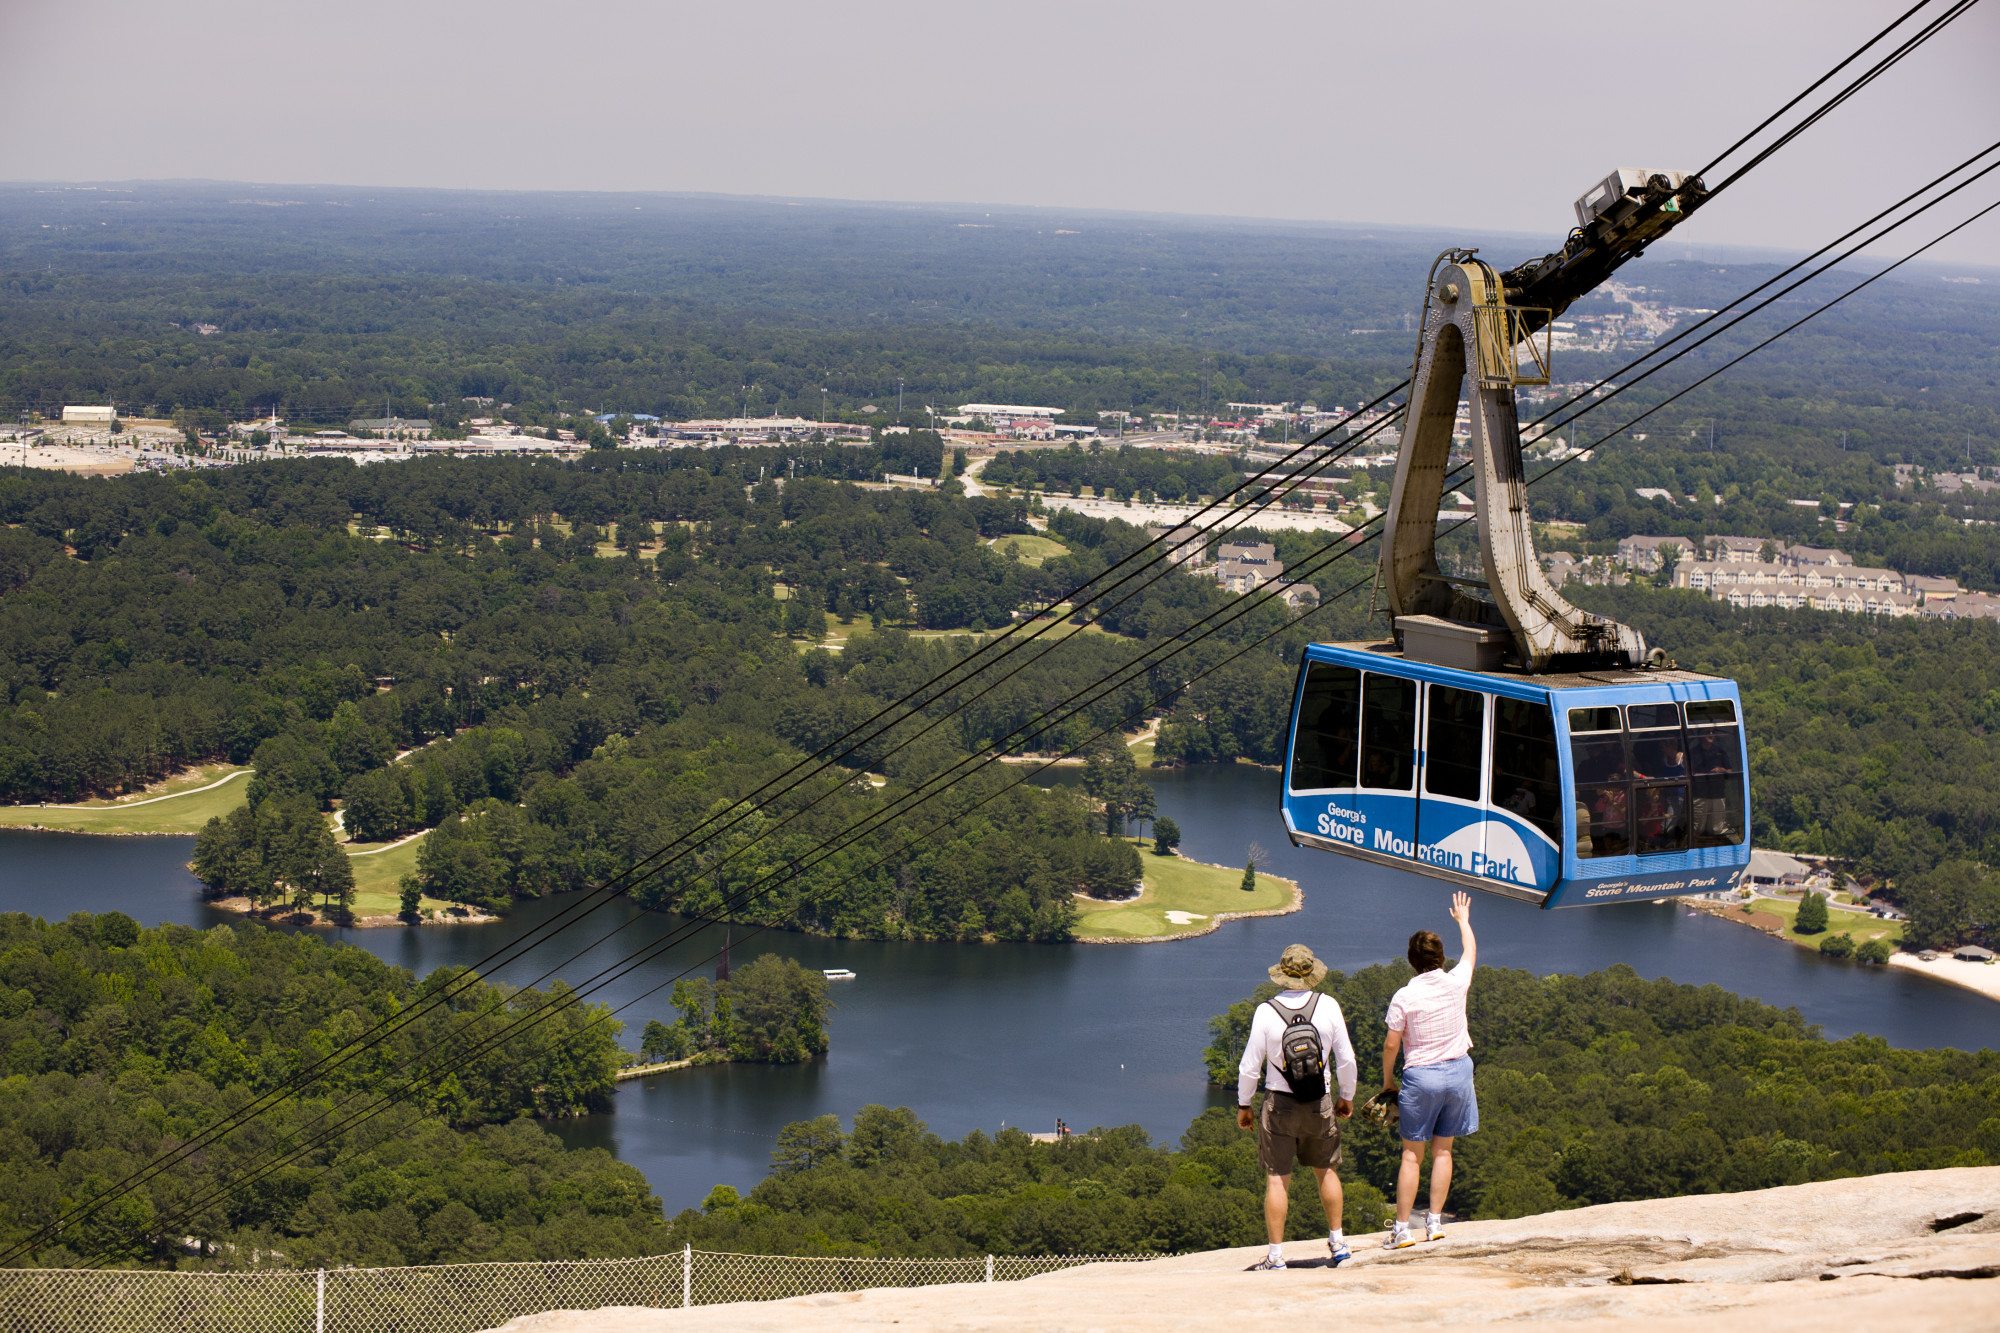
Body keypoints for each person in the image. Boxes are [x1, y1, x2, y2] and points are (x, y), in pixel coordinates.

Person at [1237, 943, 1358, 1270]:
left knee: (1277, 1178)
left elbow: (1249, 1067)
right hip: (1320, 1101)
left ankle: (1276, 1257)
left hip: (1279, 1104)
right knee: (1327, 1171)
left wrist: (1244, 1104)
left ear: (1283, 975)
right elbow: (1346, 1060)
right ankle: (1338, 1243)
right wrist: (1347, 1097)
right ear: (1311, 974)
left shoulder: (1266, 1011)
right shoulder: (1329, 1006)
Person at [1380, 892, 1478, 1249]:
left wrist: (1388, 1080)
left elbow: (1392, 1044)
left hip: (1421, 1077)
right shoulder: (1456, 982)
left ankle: (1402, 1230)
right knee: (1444, 1152)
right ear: (1440, 958)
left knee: (1411, 1155)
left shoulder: (1404, 996)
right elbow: (1470, 953)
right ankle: (1434, 1223)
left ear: (1411, 960)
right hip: (1458, 1073)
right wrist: (1463, 920)